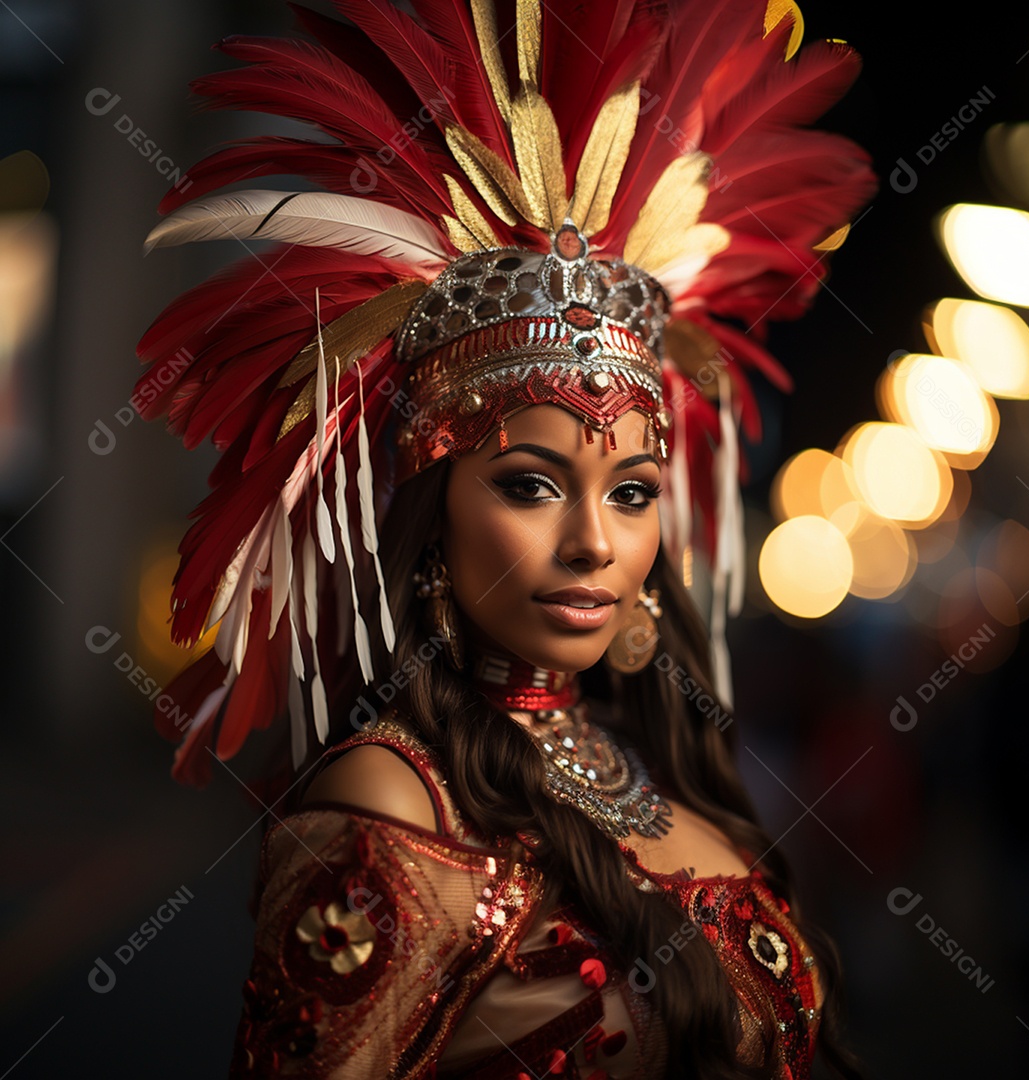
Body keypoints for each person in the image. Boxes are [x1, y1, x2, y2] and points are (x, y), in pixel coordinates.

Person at [135, 1, 876, 1075]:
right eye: (533, 485)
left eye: (631, 493)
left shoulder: (660, 767)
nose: (593, 543)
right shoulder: (391, 808)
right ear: (437, 512)